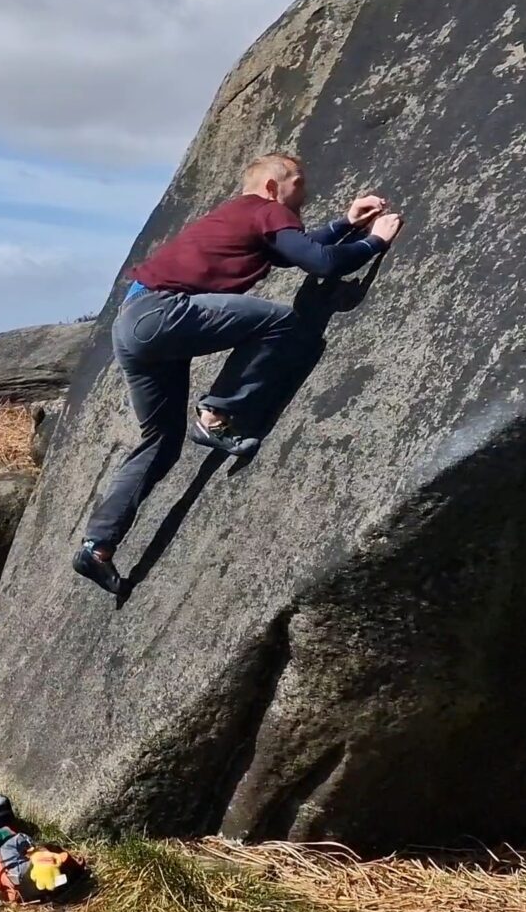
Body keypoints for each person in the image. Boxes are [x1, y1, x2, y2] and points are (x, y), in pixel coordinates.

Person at [71, 152, 402, 592]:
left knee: (160, 443)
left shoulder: (242, 215)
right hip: (162, 313)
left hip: (133, 324)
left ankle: (97, 546)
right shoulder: (266, 210)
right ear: (271, 186)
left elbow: (295, 252)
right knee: (280, 321)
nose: (302, 200)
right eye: (298, 189)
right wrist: (374, 242)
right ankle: (216, 414)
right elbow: (321, 263)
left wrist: (346, 223)